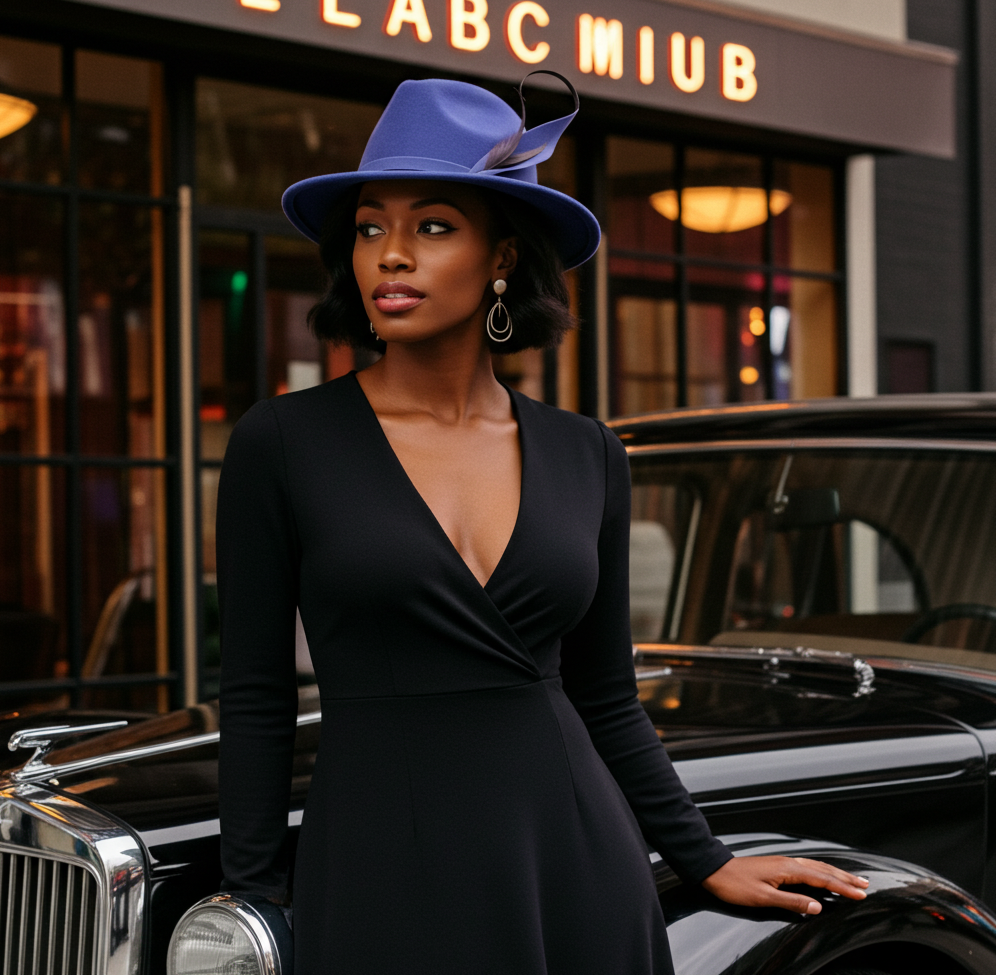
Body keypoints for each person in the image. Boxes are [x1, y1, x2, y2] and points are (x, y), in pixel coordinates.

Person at [216, 71, 868, 974]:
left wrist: (705, 858)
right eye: (370, 228)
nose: (390, 255)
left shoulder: (586, 451)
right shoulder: (284, 441)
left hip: (574, 860)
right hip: (381, 865)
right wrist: (250, 899)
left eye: (432, 227)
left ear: (502, 258)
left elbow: (602, 695)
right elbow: (254, 691)